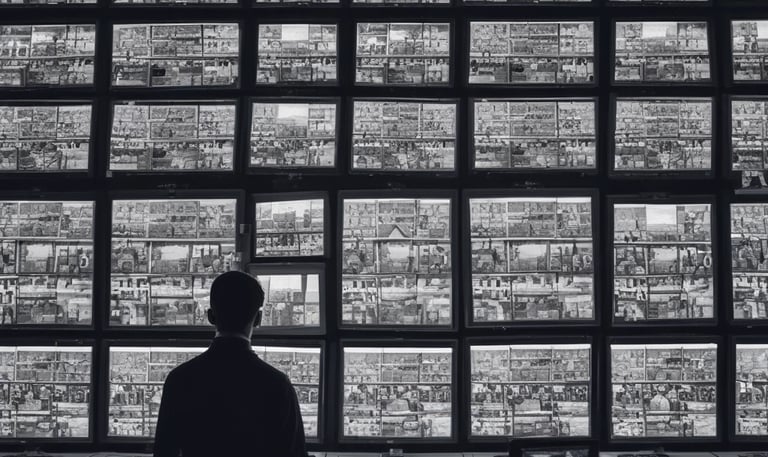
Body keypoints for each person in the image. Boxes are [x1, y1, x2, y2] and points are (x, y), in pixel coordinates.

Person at [153, 271, 308, 457]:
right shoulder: (277, 384)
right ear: (258, 319)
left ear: (211, 316)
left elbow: (164, 451)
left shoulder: (179, 379)